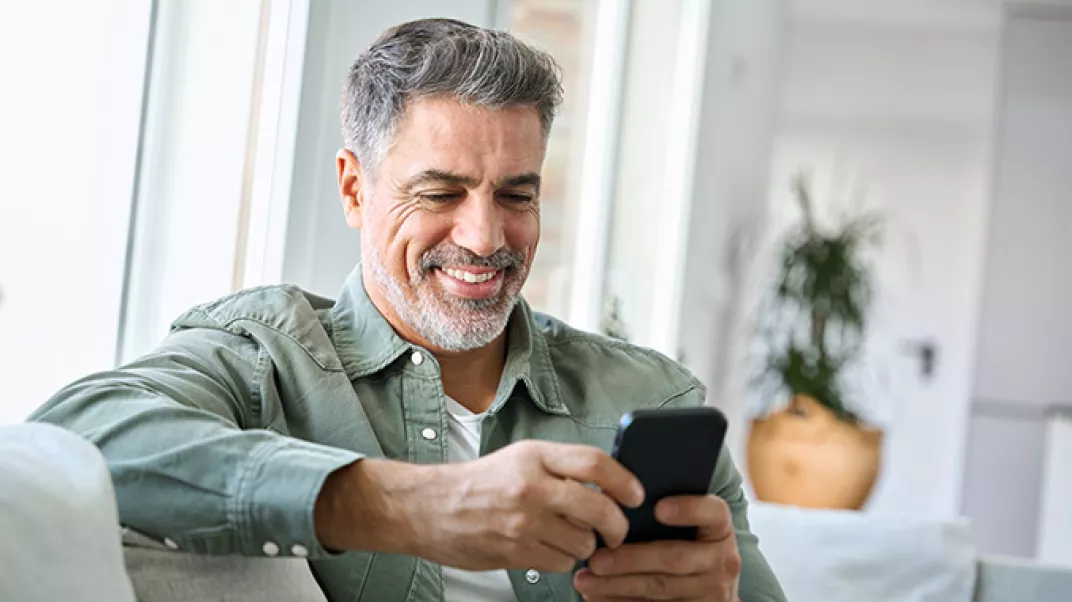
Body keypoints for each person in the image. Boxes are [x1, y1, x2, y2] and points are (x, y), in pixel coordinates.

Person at [29, 18, 786, 602]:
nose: (486, 237)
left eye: (517, 194)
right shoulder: (265, 356)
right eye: (440, 193)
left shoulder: (650, 398)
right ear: (355, 190)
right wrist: (415, 507)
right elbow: (74, 437)